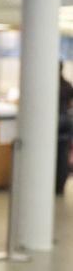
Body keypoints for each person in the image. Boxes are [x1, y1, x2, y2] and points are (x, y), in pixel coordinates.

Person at [57, 62, 73, 195]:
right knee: (63, 153)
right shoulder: (67, 85)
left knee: (52, 154)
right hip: (67, 120)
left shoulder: (50, 84)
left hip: (56, 121)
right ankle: (60, 185)